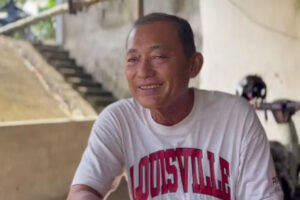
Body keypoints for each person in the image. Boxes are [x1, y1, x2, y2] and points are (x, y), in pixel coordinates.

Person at [67, 12, 283, 200]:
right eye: (133, 59)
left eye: (158, 57)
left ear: (193, 65)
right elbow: (83, 190)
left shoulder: (236, 119)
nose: (143, 72)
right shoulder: (118, 121)